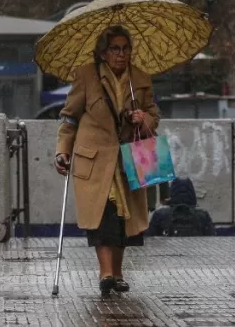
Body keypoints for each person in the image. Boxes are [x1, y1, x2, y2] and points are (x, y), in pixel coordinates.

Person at [54, 25, 161, 296]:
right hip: (95, 160)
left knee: (124, 217)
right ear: (103, 52)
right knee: (103, 216)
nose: (121, 54)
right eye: (115, 48)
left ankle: (118, 272)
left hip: (129, 158)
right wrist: (62, 150)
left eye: (126, 48)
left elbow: (154, 116)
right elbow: (70, 118)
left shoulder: (141, 79)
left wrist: (142, 119)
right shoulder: (86, 76)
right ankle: (106, 273)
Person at [147, 178, 215, 237]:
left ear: (172, 192)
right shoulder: (203, 215)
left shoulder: (160, 215)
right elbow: (212, 240)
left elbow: (150, 238)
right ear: (192, 194)